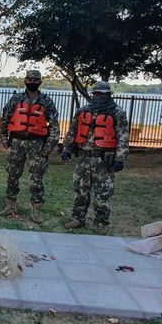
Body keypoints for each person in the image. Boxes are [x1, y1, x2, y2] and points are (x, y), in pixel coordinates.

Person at [61, 81, 129, 235]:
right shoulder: (82, 111)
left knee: (103, 193)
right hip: (83, 158)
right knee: (80, 190)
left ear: (108, 95)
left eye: (102, 94)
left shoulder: (117, 113)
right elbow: (72, 131)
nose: (99, 96)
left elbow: (123, 137)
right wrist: (66, 149)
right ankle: (78, 218)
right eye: (96, 93)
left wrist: (120, 158)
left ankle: (101, 223)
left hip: (104, 159)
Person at [0, 70, 60, 224]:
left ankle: (36, 209)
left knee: (37, 177)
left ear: (40, 82)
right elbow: (4, 118)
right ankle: (10, 205)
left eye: (35, 80)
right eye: (29, 79)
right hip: (17, 143)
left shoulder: (46, 101)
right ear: (25, 80)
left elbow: (54, 126)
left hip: (37, 144)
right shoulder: (16, 99)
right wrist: (4, 138)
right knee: (12, 174)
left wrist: (49, 144)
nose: (32, 82)